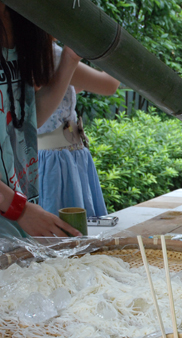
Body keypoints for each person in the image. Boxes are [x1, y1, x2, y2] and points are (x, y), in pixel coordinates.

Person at [0, 0, 82, 239]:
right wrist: (17, 208)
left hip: (15, 223)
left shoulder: (20, 29)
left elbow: (25, 122)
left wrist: (70, 60)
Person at [38, 41, 120, 217]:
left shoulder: (22, 52)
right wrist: (116, 47)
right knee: (70, 235)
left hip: (49, 158)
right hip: (60, 161)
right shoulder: (51, 54)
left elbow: (70, 89)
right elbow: (109, 84)